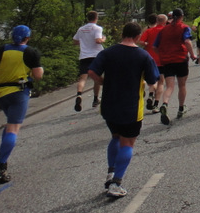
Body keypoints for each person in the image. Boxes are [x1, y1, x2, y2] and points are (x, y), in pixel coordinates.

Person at [88, 22, 159, 198]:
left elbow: (91, 72)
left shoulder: (107, 52)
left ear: (122, 34)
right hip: (131, 106)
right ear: (137, 37)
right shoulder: (143, 56)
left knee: (115, 137)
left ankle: (111, 173)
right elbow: (153, 82)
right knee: (128, 142)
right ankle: (116, 183)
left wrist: (103, 82)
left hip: (109, 105)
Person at [0, 26, 44, 183]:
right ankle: (0, 166)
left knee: (9, 124)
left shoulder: (0, 50)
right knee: (13, 128)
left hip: (1, 93)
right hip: (19, 93)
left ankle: (2, 155)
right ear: (28, 38)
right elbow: (38, 75)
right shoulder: (31, 52)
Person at [153, 8, 197, 125]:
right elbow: (187, 42)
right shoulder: (184, 27)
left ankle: (165, 104)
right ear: (182, 16)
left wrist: (163, 54)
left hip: (167, 61)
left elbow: (155, 47)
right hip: (180, 59)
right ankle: (181, 108)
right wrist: (192, 55)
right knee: (182, 85)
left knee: (170, 86)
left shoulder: (163, 30)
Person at [72, 10, 105, 111]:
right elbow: (98, 40)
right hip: (96, 55)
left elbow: (75, 41)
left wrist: (83, 42)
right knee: (97, 78)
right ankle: (95, 99)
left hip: (84, 56)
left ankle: (79, 95)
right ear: (96, 18)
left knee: (82, 78)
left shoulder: (81, 29)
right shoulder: (97, 28)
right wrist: (104, 39)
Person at [139, 14, 167, 113]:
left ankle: (151, 94)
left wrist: (147, 44)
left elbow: (141, 41)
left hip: (150, 59)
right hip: (161, 59)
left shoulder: (149, 31)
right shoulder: (165, 30)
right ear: (164, 21)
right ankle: (155, 105)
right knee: (161, 82)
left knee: (152, 80)